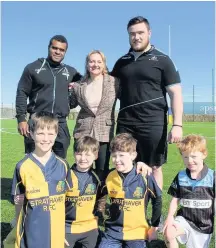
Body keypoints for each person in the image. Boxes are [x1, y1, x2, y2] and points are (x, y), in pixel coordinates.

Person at [111, 16, 183, 189]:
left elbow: (176, 94)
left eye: (140, 33)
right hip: (126, 122)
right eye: (132, 34)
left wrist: (177, 125)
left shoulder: (163, 60)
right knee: (123, 163)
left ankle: (155, 212)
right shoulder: (121, 62)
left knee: (154, 166)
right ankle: (126, 207)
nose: (136, 37)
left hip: (153, 122)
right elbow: (107, 89)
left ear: (149, 33)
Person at [10, 111, 72, 248]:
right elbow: (19, 201)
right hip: (32, 232)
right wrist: (17, 223)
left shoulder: (63, 165)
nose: (45, 139)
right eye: (40, 133)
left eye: (50, 134)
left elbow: (67, 200)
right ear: (32, 134)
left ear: (56, 135)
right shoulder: (22, 166)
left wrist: (64, 231)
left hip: (56, 232)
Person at [16, 35, 82, 159]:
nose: (58, 52)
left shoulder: (71, 72)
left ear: (65, 52)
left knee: (59, 163)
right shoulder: (33, 67)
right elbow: (22, 92)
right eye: (54, 48)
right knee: (34, 163)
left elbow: (87, 82)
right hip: (37, 121)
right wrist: (21, 118)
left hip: (60, 123)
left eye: (62, 50)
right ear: (49, 48)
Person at [98, 133, 162, 248]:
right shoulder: (109, 176)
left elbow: (157, 200)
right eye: (114, 156)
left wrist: (154, 227)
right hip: (113, 232)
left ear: (133, 155)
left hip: (137, 233)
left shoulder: (144, 176)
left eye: (121, 155)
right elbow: (97, 194)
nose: (117, 160)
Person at [69, 50, 119, 181]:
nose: (95, 64)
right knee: (83, 167)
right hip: (83, 130)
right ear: (87, 64)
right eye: (91, 61)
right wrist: (66, 89)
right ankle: (83, 197)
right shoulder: (78, 85)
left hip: (104, 132)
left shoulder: (114, 82)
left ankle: (100, 200)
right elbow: (71, 104)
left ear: (104, 64)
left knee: (102, 169)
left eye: (99, 61)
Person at [163, 134, 215, 248]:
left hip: (204, 226)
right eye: (185, 157)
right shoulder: (181, 176)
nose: (189, 161)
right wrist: (170, 217)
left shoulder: (213, 177)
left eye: (193, 156)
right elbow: (175, 199)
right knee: (169, 232)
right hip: (184, 220)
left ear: (204, 154)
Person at [65, 136, 104, 248]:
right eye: (79, 153)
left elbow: (102, 196)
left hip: (89, 228)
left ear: (95, 156)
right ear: (74, 154)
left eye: (87, 154)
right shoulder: (65, 176)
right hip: (67, 227)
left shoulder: (98, 177)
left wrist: (98, 213)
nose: (83, 158)